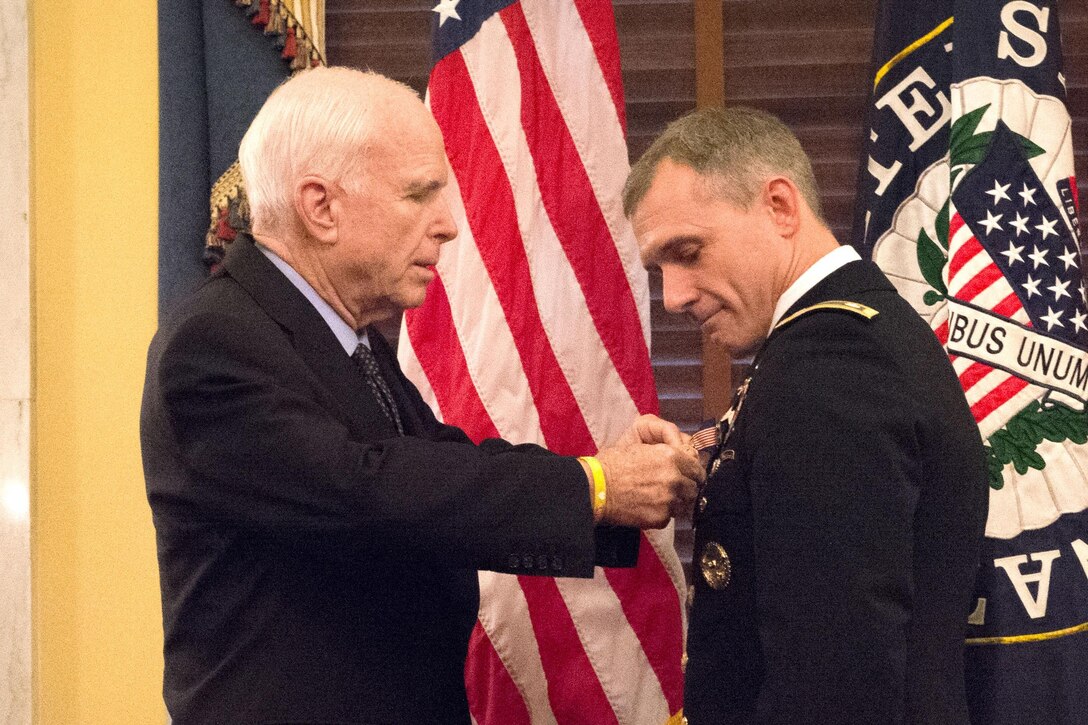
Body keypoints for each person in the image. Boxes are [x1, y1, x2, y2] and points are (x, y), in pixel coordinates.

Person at [141, 66, 702, 724]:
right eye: (419, 194)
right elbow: (365, 490)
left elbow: (439, 462)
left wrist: (603, 484)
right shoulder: (214, 342)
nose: (450, 225)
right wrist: (593, 486)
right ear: (321, 206)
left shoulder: (348, 337)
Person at [624, 107, 989, 724]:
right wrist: (713, 458)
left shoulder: (828, 369)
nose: (674, 295)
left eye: (687, 252)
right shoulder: (838, 339)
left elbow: (837, 686)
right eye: (660, 269)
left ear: (780, 207)